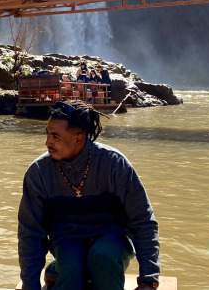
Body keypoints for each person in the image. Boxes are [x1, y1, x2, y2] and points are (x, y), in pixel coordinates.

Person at [18, 101, 160, 290]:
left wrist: (148, 280)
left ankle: (62, 269)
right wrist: (30, 285)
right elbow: (30, 233)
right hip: (67, 237)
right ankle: (60, 268)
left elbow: (143, 221)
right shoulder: (38, 173)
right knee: (71, 268)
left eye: (55, 136)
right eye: (47, 134)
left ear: (78, 138)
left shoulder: (115, 164)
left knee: (101, 257)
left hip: (112, 236)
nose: (47, 142)